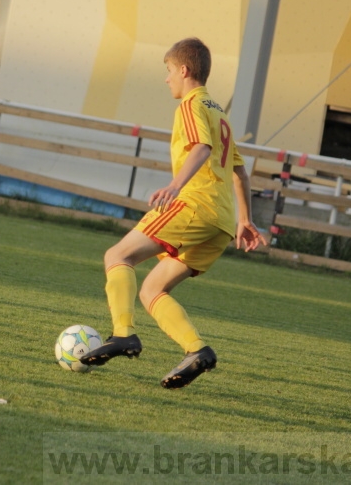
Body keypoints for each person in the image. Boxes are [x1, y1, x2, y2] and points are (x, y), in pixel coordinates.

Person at [78, 37, 267, 388]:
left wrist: (177, 185)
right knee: (152, 289)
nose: (167, 79)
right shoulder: (218, 111)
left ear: (184, 70)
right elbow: (240, 171)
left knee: (117, 255)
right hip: (222, 221)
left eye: (168, 71)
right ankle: (196, 350)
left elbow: (201, 147)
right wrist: (244, 219)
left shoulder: (191, 105)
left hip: (196, 205)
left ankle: (123, 335)